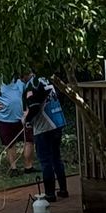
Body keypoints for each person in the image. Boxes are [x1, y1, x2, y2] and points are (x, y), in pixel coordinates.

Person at [23, 73, 69, 201]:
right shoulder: (45, 79)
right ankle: (63, 189)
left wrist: (26, 119)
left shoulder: (32, 85)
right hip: (58, 121)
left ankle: (50, 194)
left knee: (45, 161)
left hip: (45, 126)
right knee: (56, 157)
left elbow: (34, 107)